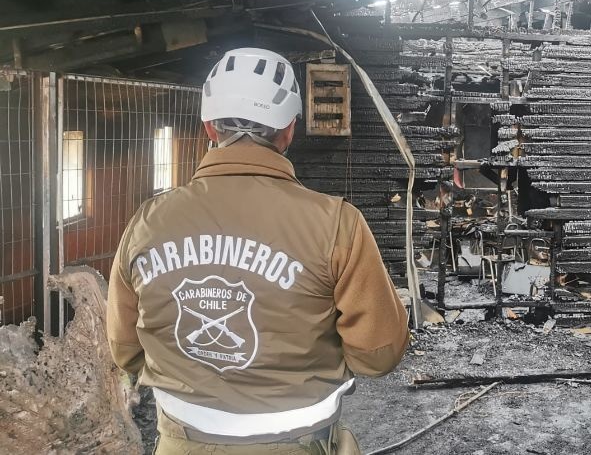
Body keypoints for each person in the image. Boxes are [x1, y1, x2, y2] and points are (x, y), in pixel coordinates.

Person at [106, 47, 409, 454]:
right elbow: (379, 354)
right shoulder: (337, 224)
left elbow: (125, 350)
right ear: (288, 130)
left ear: (210, 128)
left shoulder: (147, 222)